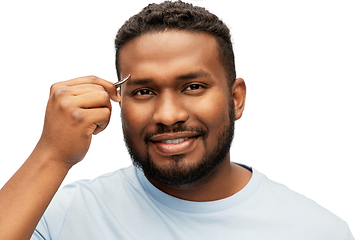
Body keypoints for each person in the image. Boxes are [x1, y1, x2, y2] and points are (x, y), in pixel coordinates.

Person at [0, 1, 354, 239]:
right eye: (143, 91)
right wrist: (52, 154)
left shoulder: (318, 231)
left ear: (236, 98)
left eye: (193, 86)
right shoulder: (59, 215)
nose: (168, 115)